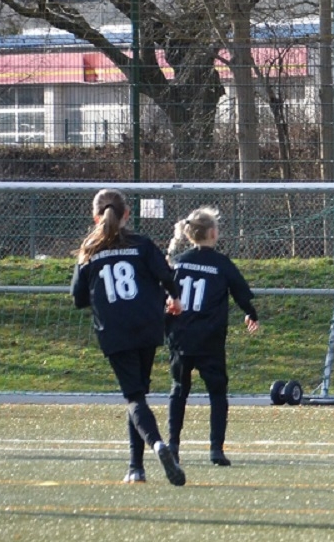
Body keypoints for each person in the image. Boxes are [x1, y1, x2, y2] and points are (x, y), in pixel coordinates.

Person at [70, 188, 186, 486]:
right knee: (139, 397)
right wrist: (174, 298)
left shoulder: (89, 250)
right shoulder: (142, 244)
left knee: (134, 398)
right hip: (147, 325)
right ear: (127, 214)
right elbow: (167, 275)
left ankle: (157, 445)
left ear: (95, 217)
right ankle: (136, 467)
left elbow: (78, 298)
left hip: (115, 330)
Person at [164, 206, 260, 468]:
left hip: (181, 337)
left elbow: (164, 293)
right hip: (210, 339)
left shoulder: (178, 261)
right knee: (217, 394)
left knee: (178, 390)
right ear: (213, 233)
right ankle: (216, 449)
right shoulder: (221, 264)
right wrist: (251, 314)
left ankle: (173, 445)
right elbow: (241, 292)